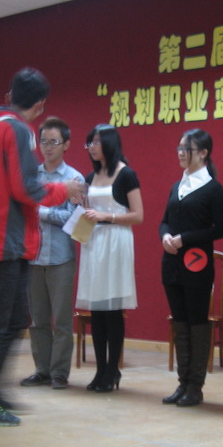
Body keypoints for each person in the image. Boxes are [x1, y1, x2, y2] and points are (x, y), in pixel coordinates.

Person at [0, 68, 85, 426]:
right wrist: (65, 190)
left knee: (15, 318)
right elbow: (25, 188)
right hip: (8, 237)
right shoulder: (17, 129)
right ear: (40, 105)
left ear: (10, 95)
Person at [159, 129, 223, 407]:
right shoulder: (177, 185)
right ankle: (183, 382)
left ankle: (195, 386)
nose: (180, 153)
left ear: (203, 153)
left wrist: (185, 238)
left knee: (197, 322)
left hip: (197, 265)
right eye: (178, 147)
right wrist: (165, 235)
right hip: (172, 263)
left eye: (186, 148)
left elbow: (220, 228)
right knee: (179, 322)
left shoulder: (213, 189)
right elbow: (164, 221)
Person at [76, 124, 143, 393]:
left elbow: (138, 215)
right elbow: (87, 212)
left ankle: (113, 369)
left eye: (95, 142)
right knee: (97, 311)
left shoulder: (126, 174)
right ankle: (100, 369)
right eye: (89, 143)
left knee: (113, 310)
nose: (91, 148)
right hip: (94, 242)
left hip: (116, 241)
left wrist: (106, 216)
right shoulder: (89, 177)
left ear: (109, 143)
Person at [20, 117, 85, 390]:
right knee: (38, 320)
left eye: (54, 142)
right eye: (44, 141)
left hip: (61, 258)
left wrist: (42, 212)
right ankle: (42, 370)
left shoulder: (74, 179)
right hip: (33, 256)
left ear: (66, 145)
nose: (47, 147)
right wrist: (41, 212)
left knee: (62, 320)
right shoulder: (32, 176)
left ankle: (59, 372)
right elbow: (23, 211)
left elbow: (73, 219)